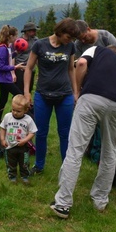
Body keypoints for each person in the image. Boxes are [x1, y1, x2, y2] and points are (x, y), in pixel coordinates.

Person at [51, 45, 116, 219]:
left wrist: (77, 92)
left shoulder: (97, 50)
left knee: (75, 150)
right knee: (109, 153)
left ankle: (63, 203)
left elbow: (82, 63)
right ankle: (100, 200)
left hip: (91, 99)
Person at [23, 18, 80, 173]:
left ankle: (66, 167)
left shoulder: (70, 46)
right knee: (41, 132)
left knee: (65, 132)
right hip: (42, 95)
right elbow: (29, 68)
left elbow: (71, 69)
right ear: (60, 32)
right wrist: (27, 93)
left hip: (65, 95)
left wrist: (75, 92)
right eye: (68, 37)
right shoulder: (40, 45)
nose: (70, 41)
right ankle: (39, 165)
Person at [0, 94, 37, 185]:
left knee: (24, 163)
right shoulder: (8, 117)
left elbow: (32, 132)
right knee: (11, 163)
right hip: (10, 146)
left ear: (25, 110)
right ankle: (12, 177)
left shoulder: (28, 120)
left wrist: (25, 140)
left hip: (23, 147)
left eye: (18, 111)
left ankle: (25, 177)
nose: (15, 113)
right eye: (13, 110)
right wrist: (2, 139)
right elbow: (3, 128)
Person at [0, 25, 24, 124]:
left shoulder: (7, 47)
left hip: (5, 78)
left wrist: (17, 52)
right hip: (3, 78)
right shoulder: (2, 48)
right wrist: (15, 67)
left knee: (3, 99)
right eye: (15, 36)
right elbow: (1, 66)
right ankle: (17, 115)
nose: (16, 38)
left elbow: (8, 58)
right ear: (10, 36)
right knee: (20, 95)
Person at [14, 22, 39, 95]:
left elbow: (37, 55)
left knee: (29, 89)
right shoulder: (19, 41)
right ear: (27, 31)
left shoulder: (35, 40)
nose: (35, 32)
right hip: (21, 69)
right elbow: (13, 57)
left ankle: (27, 105)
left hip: (31, 68)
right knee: (19, 91)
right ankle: (18, 105)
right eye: (33, 31)